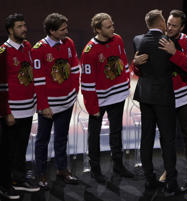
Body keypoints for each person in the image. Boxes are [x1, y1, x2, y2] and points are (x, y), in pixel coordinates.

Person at [135, 9, 187, 186]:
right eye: (169, 24)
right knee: (167, 136)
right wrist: (136, 64)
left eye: (174, 26)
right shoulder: (156, 39)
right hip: (164, 98)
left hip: (185, 95)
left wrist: (175, 52)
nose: (170, 28)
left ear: (182, 27)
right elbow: (144, 70)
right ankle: (169, 169)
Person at [80, 13, 133, 183]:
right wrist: (92, 107)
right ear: (98, 29)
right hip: (99, 100)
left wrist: (126, 84)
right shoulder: (89, 51)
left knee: (116, 132)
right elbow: (87, 84)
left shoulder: (117, 39)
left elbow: (124, 61)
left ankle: (118, 166)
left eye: (112, 25)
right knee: (94, 136)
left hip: (118, 95)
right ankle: (95, 169)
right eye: (108, 27)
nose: (113, 29)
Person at [132, 9, 179, 194]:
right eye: (165, 22)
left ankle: (150, 180)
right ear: (161, 24)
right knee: (167, 139)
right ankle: (172, 183)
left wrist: (136, 61)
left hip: (145, 95)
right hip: (163, 97)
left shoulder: (137, 40)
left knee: (147, 137)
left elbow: (139, 61)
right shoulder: (170, 43)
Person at [31, 13, 80, 189]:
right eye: (62, 29)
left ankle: (62, 169)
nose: (66, 31)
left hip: (67, 102)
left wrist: (75, 92)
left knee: (61, 138)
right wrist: (43, 106)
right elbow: (38, 80)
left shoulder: (69, 43)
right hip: (48, 106)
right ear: (52, 31)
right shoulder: (38, 49)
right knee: (42, 140)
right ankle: (41, 173)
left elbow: (75, 69)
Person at [0, 13, 40, 198]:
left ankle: (18, 178)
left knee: (21, 147)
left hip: (28, 108)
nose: (24, 29)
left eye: (24, 25)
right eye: (19, 26)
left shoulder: (27, 46)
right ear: (10, 30)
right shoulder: (3, 52)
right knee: (7, 150)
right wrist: (6, 112)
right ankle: (4, 184)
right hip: (12, 110)